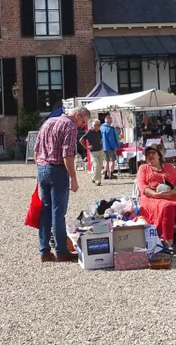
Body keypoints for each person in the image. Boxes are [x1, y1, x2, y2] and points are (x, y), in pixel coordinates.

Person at [35, 106, 91, 262]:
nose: (81, 126)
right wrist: (73, 178)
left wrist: (40, 168)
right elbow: (68, 155)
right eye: (83, 122)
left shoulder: (49, 121)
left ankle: (44, 251)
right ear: (78, 115)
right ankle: (61, 251)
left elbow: (36, 149)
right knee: (58, 213)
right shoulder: (69, 126)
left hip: (42, 168)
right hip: (57, 170)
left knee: (45, 211)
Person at [136, 146, 176, 254]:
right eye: (147, 154)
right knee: (167, 207)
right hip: (151, 196)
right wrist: (156, 194)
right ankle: (168, 241)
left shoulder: (169, 166)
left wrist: (174, 192)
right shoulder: (143, 168)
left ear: (159, 155)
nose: (150, 155)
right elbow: (142, 186)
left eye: (152, 153)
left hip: (171, 194)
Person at [80, 119, 105, 186]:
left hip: (100, 150)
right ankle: (98, 180)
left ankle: (94, 178)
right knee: (96, 166)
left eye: (99, 125)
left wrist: (100, 142)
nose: (98, 127)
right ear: (94, 125)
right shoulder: (89, 132)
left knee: (100, 166)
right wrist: (86, 147)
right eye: (97, 125)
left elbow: (100, 138)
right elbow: (81, 140)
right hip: (93, 152)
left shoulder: (99, 131)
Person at [100, 115, 120, 180]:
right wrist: (115, 147)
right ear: (109, 121)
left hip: (103, 147)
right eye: (111, 121)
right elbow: (111, 139)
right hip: (110, 147)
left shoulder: (101, 128)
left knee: (106, 161)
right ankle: (111, 175)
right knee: (112, 161)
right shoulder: (110, 129)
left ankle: (105, 174)